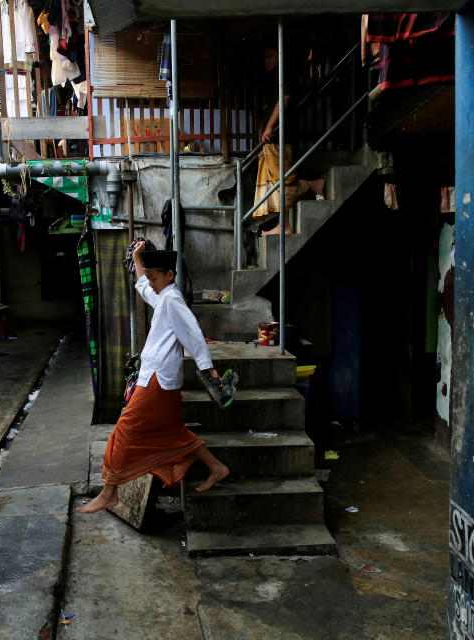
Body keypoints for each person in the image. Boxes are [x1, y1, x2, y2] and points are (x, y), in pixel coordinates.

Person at [78, 243, 234, 514]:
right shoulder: (163, 294)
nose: (150, 282)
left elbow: (193, 334)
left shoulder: (172, 299)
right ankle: (217, 467)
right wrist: (138, 258)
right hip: (157, 377)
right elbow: (142, 286)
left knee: (124, 431)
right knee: (174, 433)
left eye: (154, 277)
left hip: (157, 381)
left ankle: (109, 491)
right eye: (149, 276)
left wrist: (210, 370)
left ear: (170, 275)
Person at [255, 46, 325, 235]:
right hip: (274, 136)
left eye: (269, 56)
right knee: (278, 180)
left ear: (279, 56)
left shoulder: (283, 75)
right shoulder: (273, 78)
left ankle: (284, 226)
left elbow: (284, 99)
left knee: (281, 181)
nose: (266, 61)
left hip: (279, 135)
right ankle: (314, 185)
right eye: (265, 57)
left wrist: (269, 127)